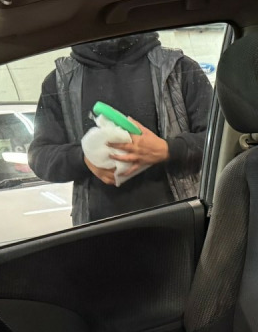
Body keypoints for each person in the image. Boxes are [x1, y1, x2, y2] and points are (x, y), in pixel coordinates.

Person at [29, 32, 213, 225]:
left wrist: (168, 150)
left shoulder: (179, 68)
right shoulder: (60, 81)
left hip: (179, 223)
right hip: (98, 230)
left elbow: (220, 144)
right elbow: (39, 157)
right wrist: (84, 158)